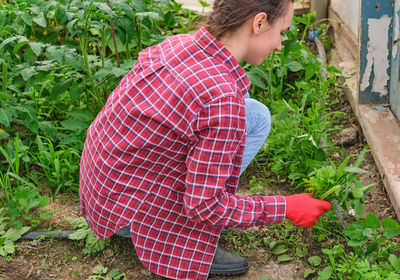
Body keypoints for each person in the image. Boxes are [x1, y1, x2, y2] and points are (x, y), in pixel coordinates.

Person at [79, 0, 332, 279]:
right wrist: (286, 207)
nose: (280, 45)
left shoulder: (180, 45)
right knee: (234, 114)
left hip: (104, 194)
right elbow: (204, 205)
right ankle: (178, 240)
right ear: (259, 23)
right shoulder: (221, 98)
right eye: (281, 33)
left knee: (254, 114)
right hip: (131, 214)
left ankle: (172, 221)